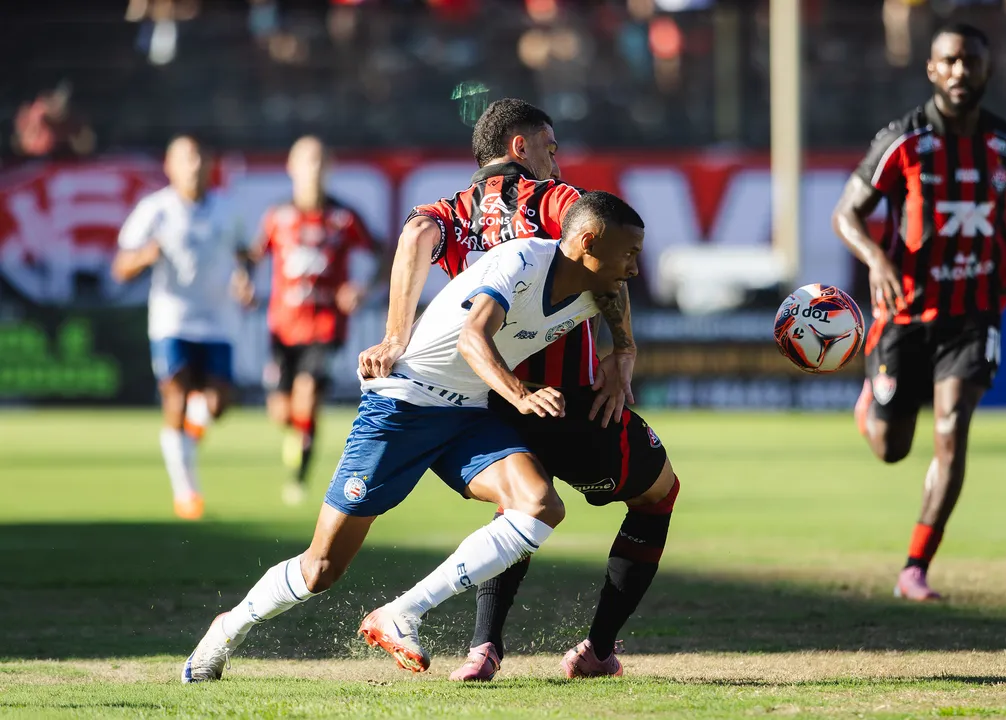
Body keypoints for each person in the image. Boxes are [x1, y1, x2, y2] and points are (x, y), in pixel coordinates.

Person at [180, 191, 644, 683]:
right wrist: (521, 395)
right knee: (321, 569)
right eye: (629, 253)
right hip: (402, 405)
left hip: (466, 413)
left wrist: (625, 352)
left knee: (540, 506)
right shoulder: (524, 259)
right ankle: (227, 629)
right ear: (589, 241)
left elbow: (615, 299)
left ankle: (403, 613)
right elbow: (472, 338)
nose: (635, 268)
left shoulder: (598, 282)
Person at [358, 98, 679, 680]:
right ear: (519, 147)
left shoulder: (449, 213)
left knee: (521, 506)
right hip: (568, 397)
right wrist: (623, 350)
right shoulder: (553, 198)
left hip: (487, 402)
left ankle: (484, 648)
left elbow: (416, 235)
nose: (556, 160)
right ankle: (598, 650)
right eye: (550, 146)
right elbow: (605, 252)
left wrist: (394, 337)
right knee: (658, 493)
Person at [832, 22, 1006, 602]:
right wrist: (878, 259)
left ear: (986, 70)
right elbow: (847, 215)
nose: (961, 71)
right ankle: (872, 404)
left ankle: (915, 566)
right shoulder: (903, 141)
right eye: (950, 61)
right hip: (903, 314)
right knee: (891, 447)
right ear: (932, 69)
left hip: (975, 314)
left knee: (953, 428)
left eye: (971, 62)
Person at [233, 136, 386, 504]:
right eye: (306, 161)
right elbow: (253, 257)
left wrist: (362, 289)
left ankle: (299, 477)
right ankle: (297, 436)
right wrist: (243, 282)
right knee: (281, 412)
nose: (313, 169)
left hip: (326, 326)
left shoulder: (344, 218)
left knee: (307, 397)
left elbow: (384, 253)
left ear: (329, 167)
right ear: (291, 167)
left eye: (319, 161)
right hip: (283, 327)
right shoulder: (277, 217)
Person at [112, 135, 242, 521]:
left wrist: (244, 280)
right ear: (169, 166)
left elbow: (246, 254)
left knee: (217, 405)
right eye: (186, 158)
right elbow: (120, 266)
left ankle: (194, 427)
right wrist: (143, 257)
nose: (194, 165)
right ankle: (186, 493)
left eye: (201, 157)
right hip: (172, 318)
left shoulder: (227, 210)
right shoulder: (156, 209)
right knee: (176, 392)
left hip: (218, 321)